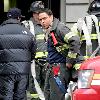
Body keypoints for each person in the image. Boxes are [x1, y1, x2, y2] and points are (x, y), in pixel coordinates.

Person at [38, 8, 83, 100]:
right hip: (52, 67)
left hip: (59, 69)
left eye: (44, 18)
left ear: (51, 17)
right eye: (40, 20)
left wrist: (69, 61)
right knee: (48, 95)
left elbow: (75, 40)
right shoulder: (50, 30)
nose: (42, 21)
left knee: (56, 96)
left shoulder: (60, 28)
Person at [0, 7, 35, 100]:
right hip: (23, 71)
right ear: (19, 18)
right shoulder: (27, 33)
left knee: (6, 95)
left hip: (5, 70)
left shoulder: (0, 30)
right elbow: (33, 52)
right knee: (20, 96)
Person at [22, 1, 47, 100]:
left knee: (46, 87)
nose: (39, 15)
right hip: (33, 63)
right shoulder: (27, 26)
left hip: (47, 62)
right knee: (33, 88)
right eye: (37, 13)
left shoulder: (47, 25)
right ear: (33, 13)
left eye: (41, 12)